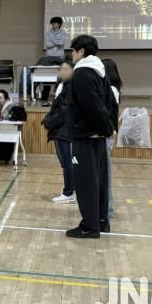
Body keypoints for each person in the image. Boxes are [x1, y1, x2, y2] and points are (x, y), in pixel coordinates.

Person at [66, 35, 115, 238]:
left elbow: (92, 106)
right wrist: (108, 128)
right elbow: (111, 103)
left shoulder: (82, 73)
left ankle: (89, 226)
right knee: (100, 182)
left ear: (81, 51)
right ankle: (101, 221)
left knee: (86, 182)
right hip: (98, 137)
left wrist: (106, 128)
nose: (71, 54)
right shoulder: (100, 71)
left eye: (73, 50)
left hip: (85, 137)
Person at [43, 60, 76, 204]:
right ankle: (71, 190)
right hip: (59, 129)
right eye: (61, 69)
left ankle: (69, 192)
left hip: (64, 129)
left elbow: (64, 111)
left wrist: (49, 122)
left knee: (67, 162)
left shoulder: (70, 87)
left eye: (65, 69)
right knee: (65, 162)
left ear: (73, 71)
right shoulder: (61, 85)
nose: (62, 71)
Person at [102, 58, 122, 220]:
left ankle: (108, 209)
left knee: (105, 174)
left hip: (107, 135)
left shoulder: (112, 90)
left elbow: (110, 113)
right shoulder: (108, 89)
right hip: (106, 134)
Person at [0, 89, 14, 163]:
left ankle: (6, 158)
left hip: (10, 130)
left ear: (6, 99)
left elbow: (8, 117)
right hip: (0, 129)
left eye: (0, 98)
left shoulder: (10, 106)